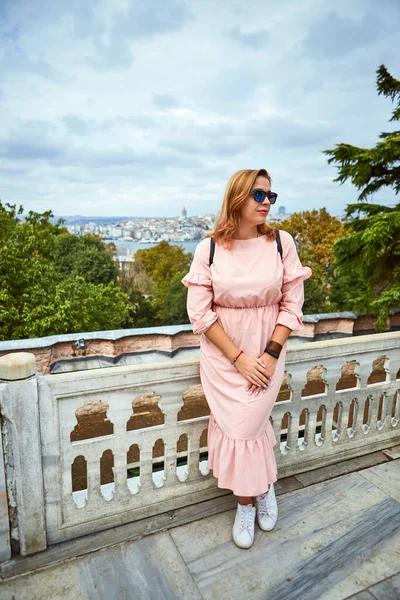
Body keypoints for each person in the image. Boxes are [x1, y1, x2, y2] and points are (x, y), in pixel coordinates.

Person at [181, 168, 312, 549]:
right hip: (224, 356)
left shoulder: (281, 243)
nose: (267, 203)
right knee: (239, 428)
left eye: (271, 196)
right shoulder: (207, 249)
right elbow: (200, 314)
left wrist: (270, 355)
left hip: (268, 348)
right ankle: (252, 498)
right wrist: (238, 358)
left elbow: (293, 304)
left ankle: (255, 495)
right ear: (237, 198)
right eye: (259, 195)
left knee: (248, 426)